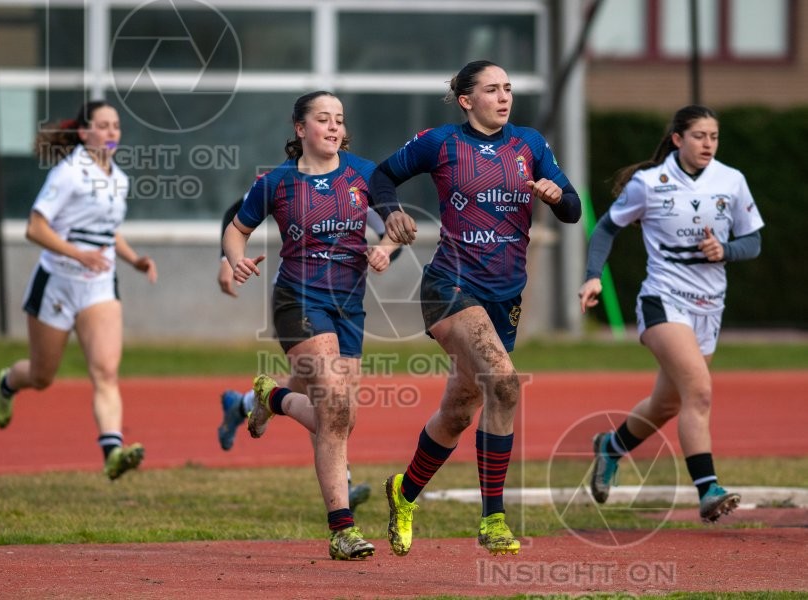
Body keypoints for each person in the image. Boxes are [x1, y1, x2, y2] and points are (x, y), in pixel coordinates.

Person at [371, 60, 581, 557]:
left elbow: (572, 208)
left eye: (509, 87)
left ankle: (403, 494)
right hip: (450, 286)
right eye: (492, 89)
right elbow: (381, 177)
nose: (505, 96)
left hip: (504, 297)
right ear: (467, 100)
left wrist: (557, 196)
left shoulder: (529, 144)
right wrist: (391, 211)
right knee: (504, 383)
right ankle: (493, 520)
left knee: (459, 410)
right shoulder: (441, 143)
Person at [222, 90, 407, 560]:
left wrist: (388, 244)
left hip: (350, 306)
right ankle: (342, 530)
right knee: (334, 407)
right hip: (298, 299)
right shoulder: (277, 182)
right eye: (322, 119)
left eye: (339, 120)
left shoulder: (366, 175)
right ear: (300, 129)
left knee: (342, 419)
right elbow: (236, 227)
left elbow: (394, 222)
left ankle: (272, 396)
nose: (333, 127)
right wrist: (236, 259)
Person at [579, 104, 764, 523]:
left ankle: (611, 447)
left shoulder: (731, 180)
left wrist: (727, 250)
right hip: (663, 300)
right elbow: (606, 227)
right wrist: (593, 276)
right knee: (699, 392)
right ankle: (708, 488)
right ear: (678, 139)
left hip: (709, 308)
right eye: (699, 136)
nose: (708, 144)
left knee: (667, 403)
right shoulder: (650, 183)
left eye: (714, 137)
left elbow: (753, 242)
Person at [0, 100, 157, 481]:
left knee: (106, 373)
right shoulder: (69, 173)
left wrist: (134, 260)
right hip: (57, 284)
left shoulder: (118, 177)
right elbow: (35, 228)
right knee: (41, 376)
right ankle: (7, 383)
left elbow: (106, 230)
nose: (112, 132)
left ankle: (112, 451)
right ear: (84, 132)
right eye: (103, 125)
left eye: (116, 125)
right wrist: (78, 255)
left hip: (99, 285)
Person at [216, 194, 402, 510]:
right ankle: (341, 486)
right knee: (330, 394)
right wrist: (227, 260)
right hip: (299, 300)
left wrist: (382, 252)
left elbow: (391, 230)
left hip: (345, 302)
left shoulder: (357, 182)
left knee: (317, 390)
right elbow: (237, 212)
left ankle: (245, 402)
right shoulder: (290, 180)